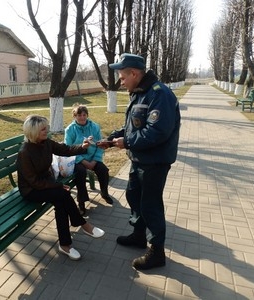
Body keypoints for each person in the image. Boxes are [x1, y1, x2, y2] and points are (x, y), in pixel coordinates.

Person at [104, 53, 180, 270]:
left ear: (134, 73)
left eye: (122, 76)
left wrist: (126, 141)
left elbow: (156, 132)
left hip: (154, 163)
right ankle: (139, 235)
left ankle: (157, 252)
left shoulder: (159, 94)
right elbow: (134, 126)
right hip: (139, 159)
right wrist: (111, 138)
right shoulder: (139, 93)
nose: (121, 81)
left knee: (150, 205)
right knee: (134, 196)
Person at [16, 115, 105, 261]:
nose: (47, 131)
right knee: (62, 194)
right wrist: (57, 185)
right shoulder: (25, 152)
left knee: (61, 202)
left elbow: (65, 149)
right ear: (33, 132)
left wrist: (82, 147)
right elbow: (33, 182)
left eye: (46, 128)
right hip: (31, 190)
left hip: (46, 184)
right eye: (43, 129)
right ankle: (82, 225)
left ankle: (65, 245)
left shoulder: (46, 142)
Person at [64, 103, 115, 215]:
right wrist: (83, 161)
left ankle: (104, 193)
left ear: (87, 115)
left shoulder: (94, 127)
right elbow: (69, 149)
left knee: (103, 170)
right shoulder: (70, 130)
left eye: (84, 115)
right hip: (78, 160)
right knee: (80, 172)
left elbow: (100, 145)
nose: (82, 117)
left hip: (93, 158)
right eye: (79, 115)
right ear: (74, 116)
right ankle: (81, 202)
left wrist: (94, 161)